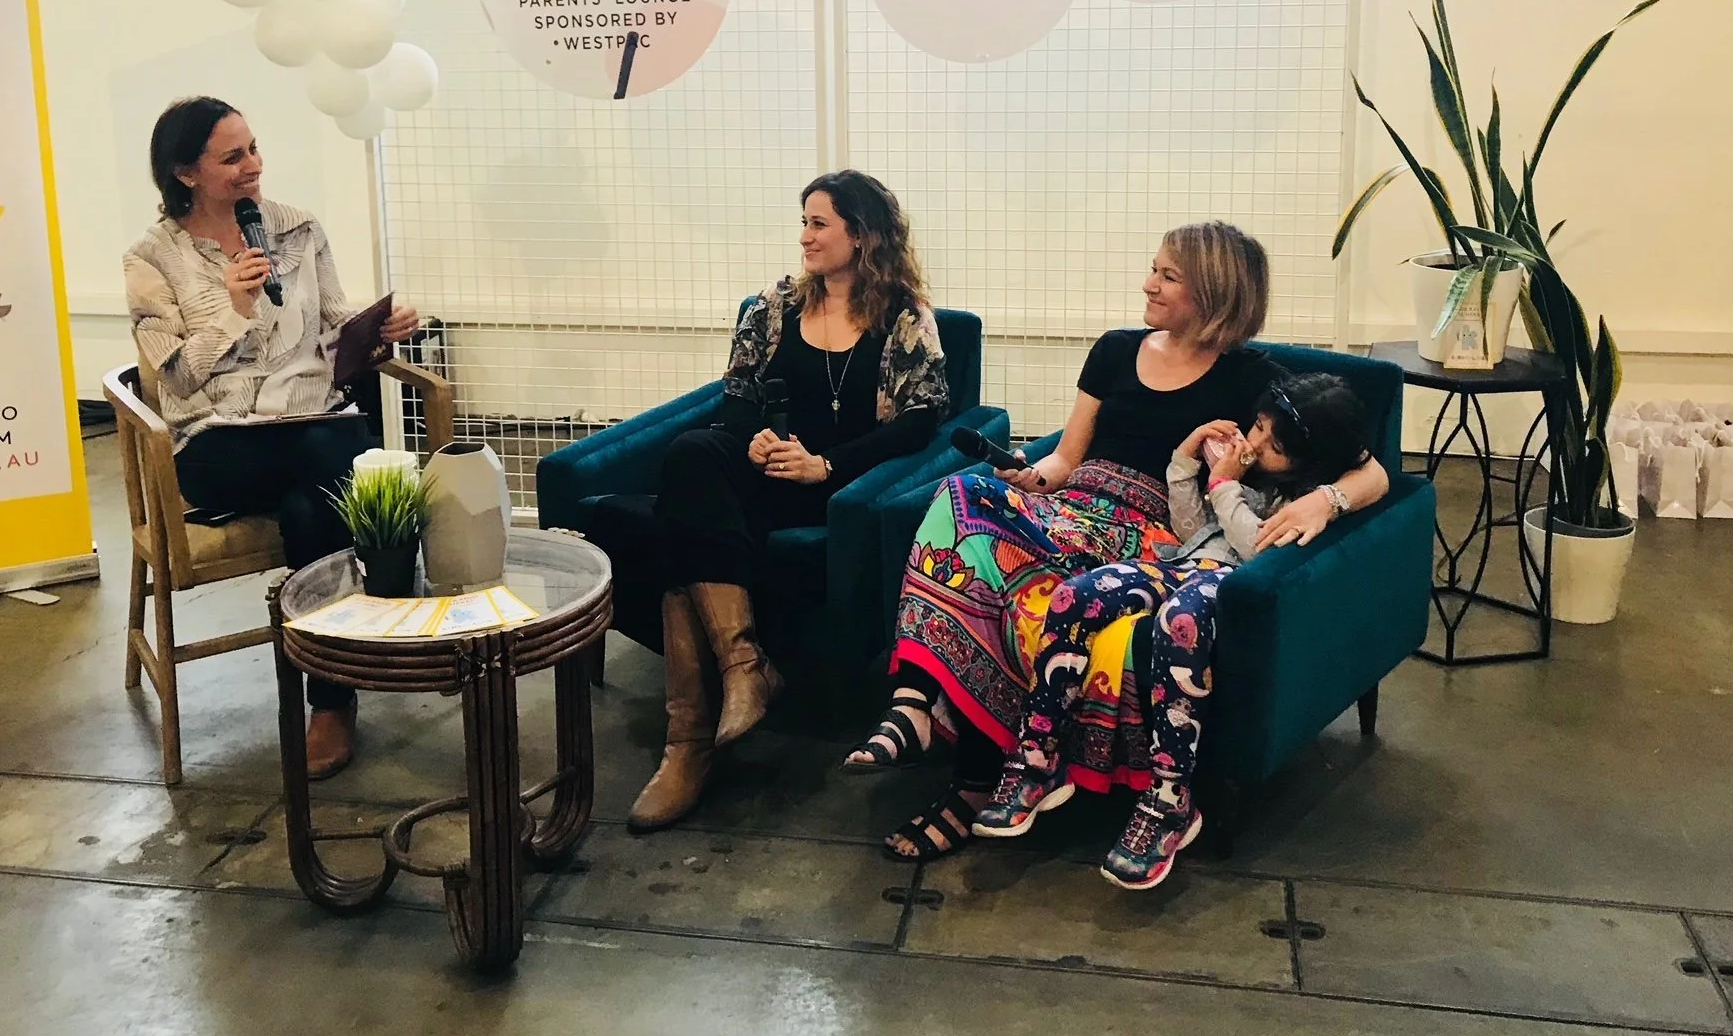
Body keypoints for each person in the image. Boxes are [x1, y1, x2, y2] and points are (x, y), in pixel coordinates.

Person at [846, 221, 1389, 862]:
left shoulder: (1254, 381)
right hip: (1072, 507)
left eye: (1167, 276)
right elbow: (1066, 459)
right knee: (959, 496)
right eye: (1153, 268)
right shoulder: (1113, 350)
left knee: (1022, 605)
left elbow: (1375, 470)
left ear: (1213, 291)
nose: (1147, 284)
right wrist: (1029, 474)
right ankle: (914, 701)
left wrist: (1324, 500)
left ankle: (969, 786)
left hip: (1147, 529)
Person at [585, 171, 948, 833]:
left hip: (837, 488)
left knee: (677, 530)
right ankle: (744, 665)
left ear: (861, 235)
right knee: (696, 452)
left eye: (819, 224)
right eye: (804, 222)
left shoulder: (903, 315)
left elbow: (920, 421)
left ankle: (686, 749)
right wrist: (752, 440)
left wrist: (826, 464)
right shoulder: (776, 304)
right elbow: (737, 397)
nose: (804, 237)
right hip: (766, 470)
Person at [972, 373, 1375, 889]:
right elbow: (1189, 530)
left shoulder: (1306, 500)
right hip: (1184, 565)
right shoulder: (1246, 470)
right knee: (1075, 596)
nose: (1254, 443)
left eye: (1273, 445)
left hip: (1230, 587)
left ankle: (1170, 797)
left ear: (1309, 458)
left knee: (1178, 621)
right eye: (1257, 426)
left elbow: (1257, 552)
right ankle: (1037, 755)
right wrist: (1186, 460)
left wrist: (1225, 486)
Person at [124, 97, 419, 780]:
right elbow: (178, 382)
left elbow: (332, 319)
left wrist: (381, 326)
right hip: (219, 444)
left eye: (254, 148)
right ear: (185, 173)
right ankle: (378, 625)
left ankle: (329, 702)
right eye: (233, 157)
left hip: (310, 425)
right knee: (334, 461)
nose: (253, 167)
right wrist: (233, 310)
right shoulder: (151, 258)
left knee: (308, 505)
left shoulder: (296, 228)